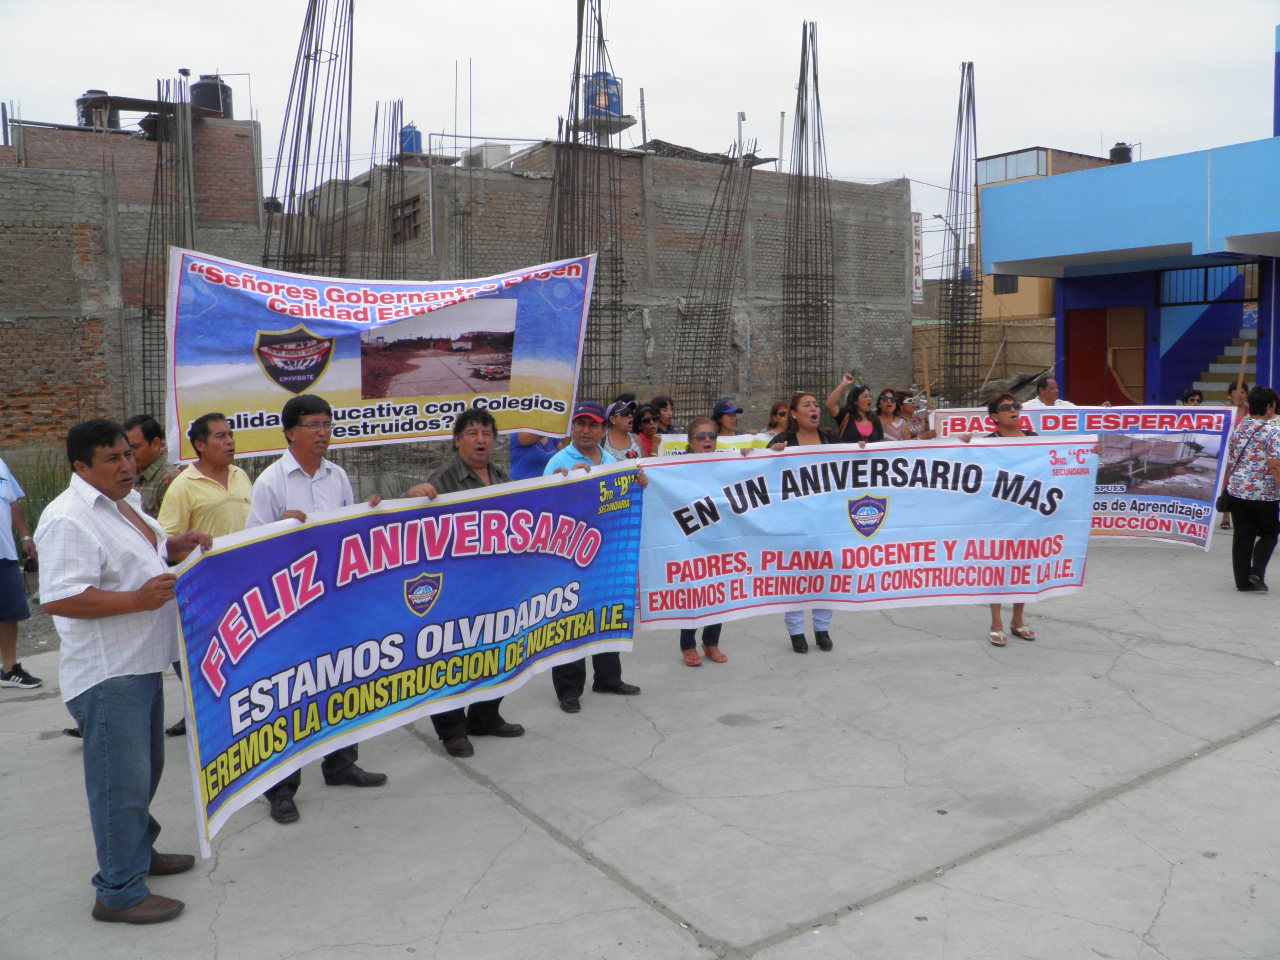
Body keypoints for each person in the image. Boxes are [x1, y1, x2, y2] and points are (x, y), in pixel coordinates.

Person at [35, 419, 211, 924]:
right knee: (119, 783)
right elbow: (61, 598)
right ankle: (117, 890)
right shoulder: (68, 518)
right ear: (81, 467)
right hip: (109, 674)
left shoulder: (125, 504)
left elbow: (146, 553)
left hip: (143, 661)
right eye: (112, 459)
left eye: (128, 455)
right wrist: (136, 599)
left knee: (145, 772)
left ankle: (138, 853)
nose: (127, 465)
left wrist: (174, 547)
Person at [246, 395, 387, 824]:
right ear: (290, 432)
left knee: (342, 679)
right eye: (313, 424)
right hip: (290, 607)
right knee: (291, 693)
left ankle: (341, 764)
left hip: (335, 601)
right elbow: (252, 550)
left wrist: (370, 513)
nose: (323, 432)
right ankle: (281, 790)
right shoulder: (271, 482)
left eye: (327, 424)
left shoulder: (338, 475)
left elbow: (347, 534)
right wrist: (280, 530)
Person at [403, 409, 525, 758]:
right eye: (472, 433)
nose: (481, 440)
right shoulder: (441, 481)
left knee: (500, 646)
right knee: (451, 656)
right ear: (457, 441)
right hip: (455, 589)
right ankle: (452, 730)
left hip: (497, 584)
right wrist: (412, 496)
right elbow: (408, 522)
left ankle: (485, 716)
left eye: (486, 433)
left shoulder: (503, 478)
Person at [543, 400, 640, 710]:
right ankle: (569, 690)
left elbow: (625, 499)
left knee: (607, 614)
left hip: (605, 552)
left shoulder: (613, 460)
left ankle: (608, 678)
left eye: (593, 425)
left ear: (603, 429)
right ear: (572, 428)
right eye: (581, 424)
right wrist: (565, 481)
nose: (586, 430)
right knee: (571, 620)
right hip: (568, 554)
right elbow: (545, 507)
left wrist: (640, 483)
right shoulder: (559, 460)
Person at [768, 392, 838, 653]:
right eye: (807, 405)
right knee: (795, 576)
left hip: (826, 519)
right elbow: (758, 473)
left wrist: (860, 450)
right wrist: (770, 454)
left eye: (816, 405)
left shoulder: (831, 438)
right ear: (795, 414)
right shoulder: (783, 441)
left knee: (825, 574)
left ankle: (822, 629)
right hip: (792, 521)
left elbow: (851, 464)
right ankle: (796, 631)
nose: (814, 409)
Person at [979, 394, 1040, 646]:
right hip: (998, 514)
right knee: (997, 567)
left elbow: (1060, 460)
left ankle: (1018, 620)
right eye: (1006, 408)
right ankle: (996, 622)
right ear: (994, 417)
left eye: (1016, 406)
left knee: (1022, 567)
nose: (1014, 410)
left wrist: (1089, 450)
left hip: (1027, 512)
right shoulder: (986, 443)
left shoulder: (1035, 439)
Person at [678, 418, 728, 666]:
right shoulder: (677, 468)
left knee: (717, 592)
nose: (707, 440)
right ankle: (687, 645)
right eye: (700, 436)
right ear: (690, 442)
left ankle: (711, 642)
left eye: (711, 435)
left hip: (719, 538)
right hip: (692, 538)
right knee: (693, 592)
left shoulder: (727, 464)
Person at [157, 413, 251, 541]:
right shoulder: (183, 485)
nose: (230, 441)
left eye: (230, 435)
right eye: (220, 436)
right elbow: (166, 542)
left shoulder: (240, 474)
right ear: (200, 445)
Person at [1223, 386, 1280, 592]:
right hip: (1263, 493)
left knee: (1243, 535)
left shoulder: (1239, 428)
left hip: (1237, 490)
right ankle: (1256, 571)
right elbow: (1275, 464)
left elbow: (1231, 459)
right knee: (1270, 533)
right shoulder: (1271, 431)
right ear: (1268, 407)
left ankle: (1242, 582)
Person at [0, 455, 40, 688]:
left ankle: (9, 668)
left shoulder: (1, 464)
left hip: (5, 552)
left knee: (9, 613)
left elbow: (13, 502)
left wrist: (25, 536)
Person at [123, 415, 183, 518]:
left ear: (155, 444)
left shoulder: (169, 479)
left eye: (135, 447)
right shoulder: (128, 474)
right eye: (127, 448)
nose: (130, 453)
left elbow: (171, 528)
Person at [1222, 382, 1251, 529]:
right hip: (1228, 452)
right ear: (1230, 394)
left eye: (1243, 392)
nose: (1239, 395)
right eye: (1236, 391)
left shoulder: (1251, 411)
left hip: (1246, 453)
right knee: (1226, 483)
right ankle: (1226, 515)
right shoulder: (1225, 411)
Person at [826, 375, 883, 444]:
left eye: (870, 396)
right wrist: (844, 384)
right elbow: (830, 405)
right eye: (865, 396)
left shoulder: (875, 419)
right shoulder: (845, 415)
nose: (869, 399)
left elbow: (880, 442)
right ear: (856, 401)